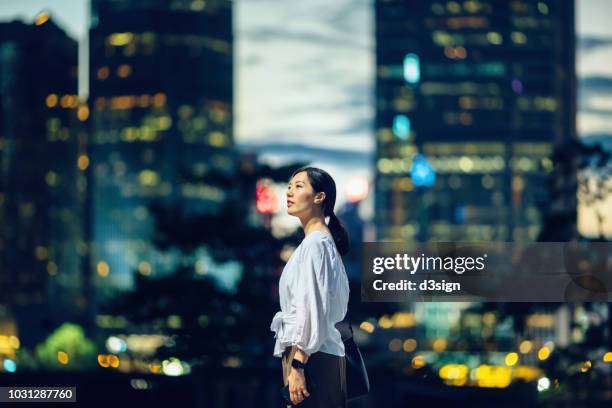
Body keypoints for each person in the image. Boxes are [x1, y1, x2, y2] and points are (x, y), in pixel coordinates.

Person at [270, 166, 350, 407]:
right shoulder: (317, 243)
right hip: (312, 354)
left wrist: (298, 364)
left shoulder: (316, 244)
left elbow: (313, 308)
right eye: (288, 187)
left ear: (319, 197)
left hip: (312, 358)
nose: (289, 193)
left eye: (298, 186)